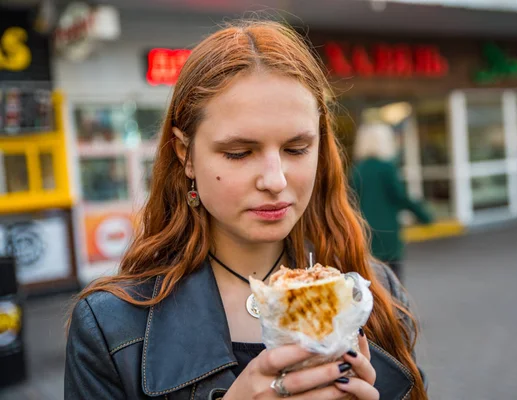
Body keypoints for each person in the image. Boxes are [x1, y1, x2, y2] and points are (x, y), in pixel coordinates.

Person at [65, 21, 428, 400]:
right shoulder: (112, 328)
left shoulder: (376, 293)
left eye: (296, 149)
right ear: (185, 154)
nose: (275, 180)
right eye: (239, 153)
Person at [351, 123, 433, 283]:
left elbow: (351, 199)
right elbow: (400, 196)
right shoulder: (386, 168)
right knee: (393, 283)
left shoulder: (358, 170)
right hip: (387, 234)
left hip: (365, 232)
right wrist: (424, 216)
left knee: (372, 283)